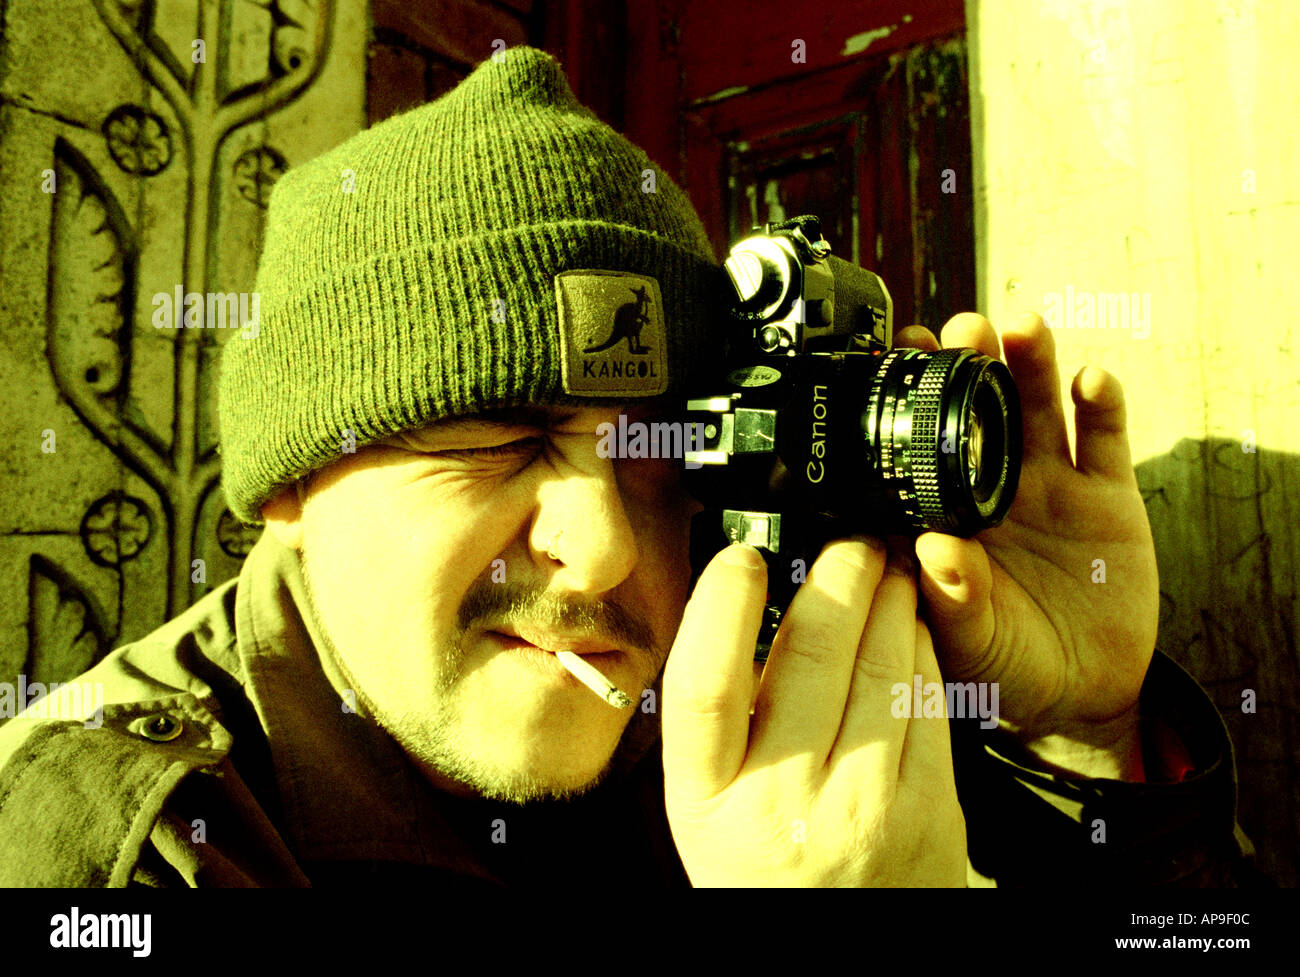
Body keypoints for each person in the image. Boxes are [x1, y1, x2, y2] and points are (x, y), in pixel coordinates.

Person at [0, 46, 1259, 887]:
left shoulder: (757, 685)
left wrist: (1092, 743)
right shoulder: (129, 845)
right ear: (288, 482)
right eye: (499, 436)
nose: (603, 546)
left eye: (664, 446)